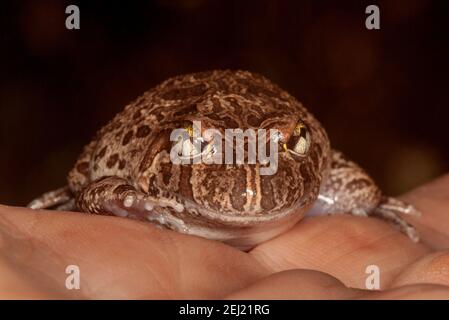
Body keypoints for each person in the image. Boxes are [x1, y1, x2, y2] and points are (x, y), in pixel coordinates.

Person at [1, 174, 449, 299]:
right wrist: (127, 202)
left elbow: (327, 161)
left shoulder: (303, 159)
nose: (251, 178)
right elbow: (94, 185)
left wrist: (370, 198)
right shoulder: (149, 172)